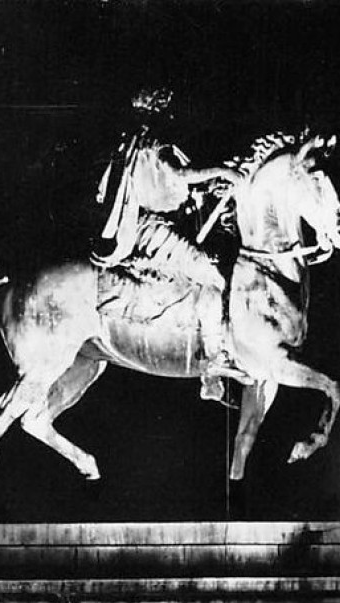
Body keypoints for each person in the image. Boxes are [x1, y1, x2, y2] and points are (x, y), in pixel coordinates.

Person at [94, 90, 242, 402]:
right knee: (213, 276)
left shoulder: (132, 143)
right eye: (169, 111)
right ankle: (212, 367)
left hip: (147, 226)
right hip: (153, 230)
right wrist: (223, 171)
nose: (174, 116)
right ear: (159, 112)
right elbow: (182, 175)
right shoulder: (155, 145)